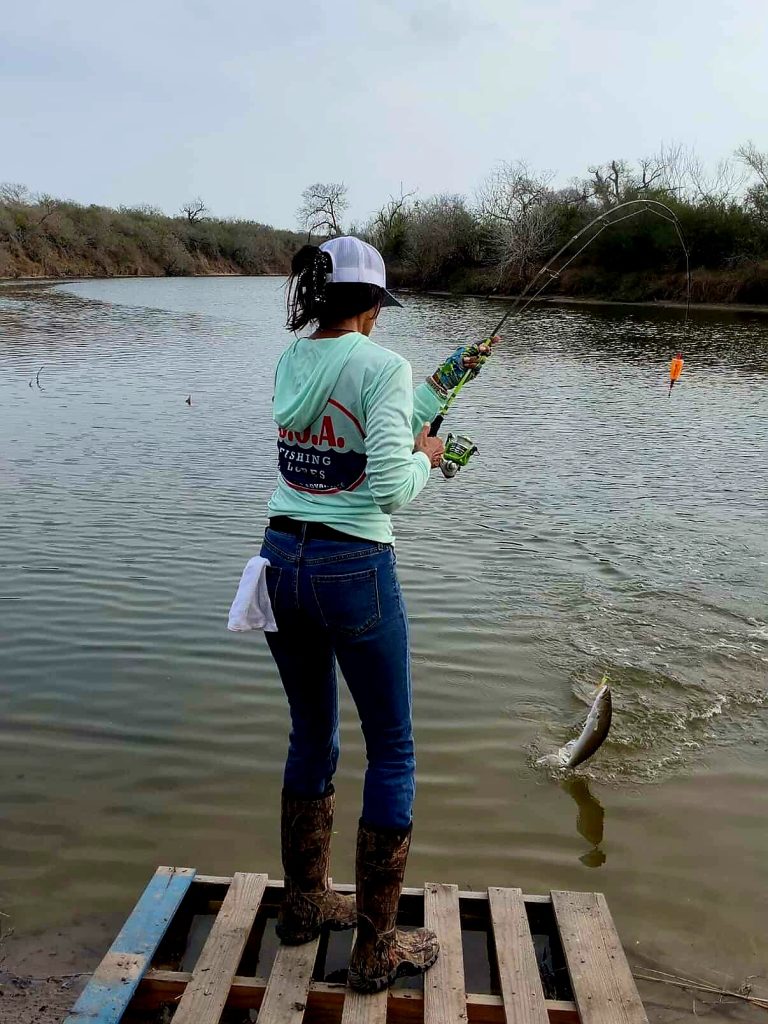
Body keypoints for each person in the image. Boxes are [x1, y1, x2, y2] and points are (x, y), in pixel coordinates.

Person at [260, 235, 495, 994]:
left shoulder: (293, 360)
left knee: (310, 734)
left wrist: (444, 384)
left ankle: (303, 906)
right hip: (353, 567)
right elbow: (392, 484)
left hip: (280, 560)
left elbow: (361, 431)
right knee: (392, 750)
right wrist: (433, 457)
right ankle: (375, 950)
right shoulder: (380, 364)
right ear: (370, 303)